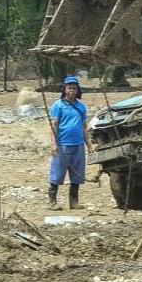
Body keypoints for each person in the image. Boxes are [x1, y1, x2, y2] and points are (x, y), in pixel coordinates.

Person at [47, 75, 93, 210]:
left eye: (74, 88)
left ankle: (74, 202)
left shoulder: (81, 107)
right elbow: (53, 126)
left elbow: (85, 127)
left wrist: (89, 145)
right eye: (69, 88)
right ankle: (52, 201)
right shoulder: (58, 105)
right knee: (57, 173)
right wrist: (54, 144)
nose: (71, 91)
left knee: (77, 175)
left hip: (78, 145)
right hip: (63, 144)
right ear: (65, 90)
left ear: (77, 90)